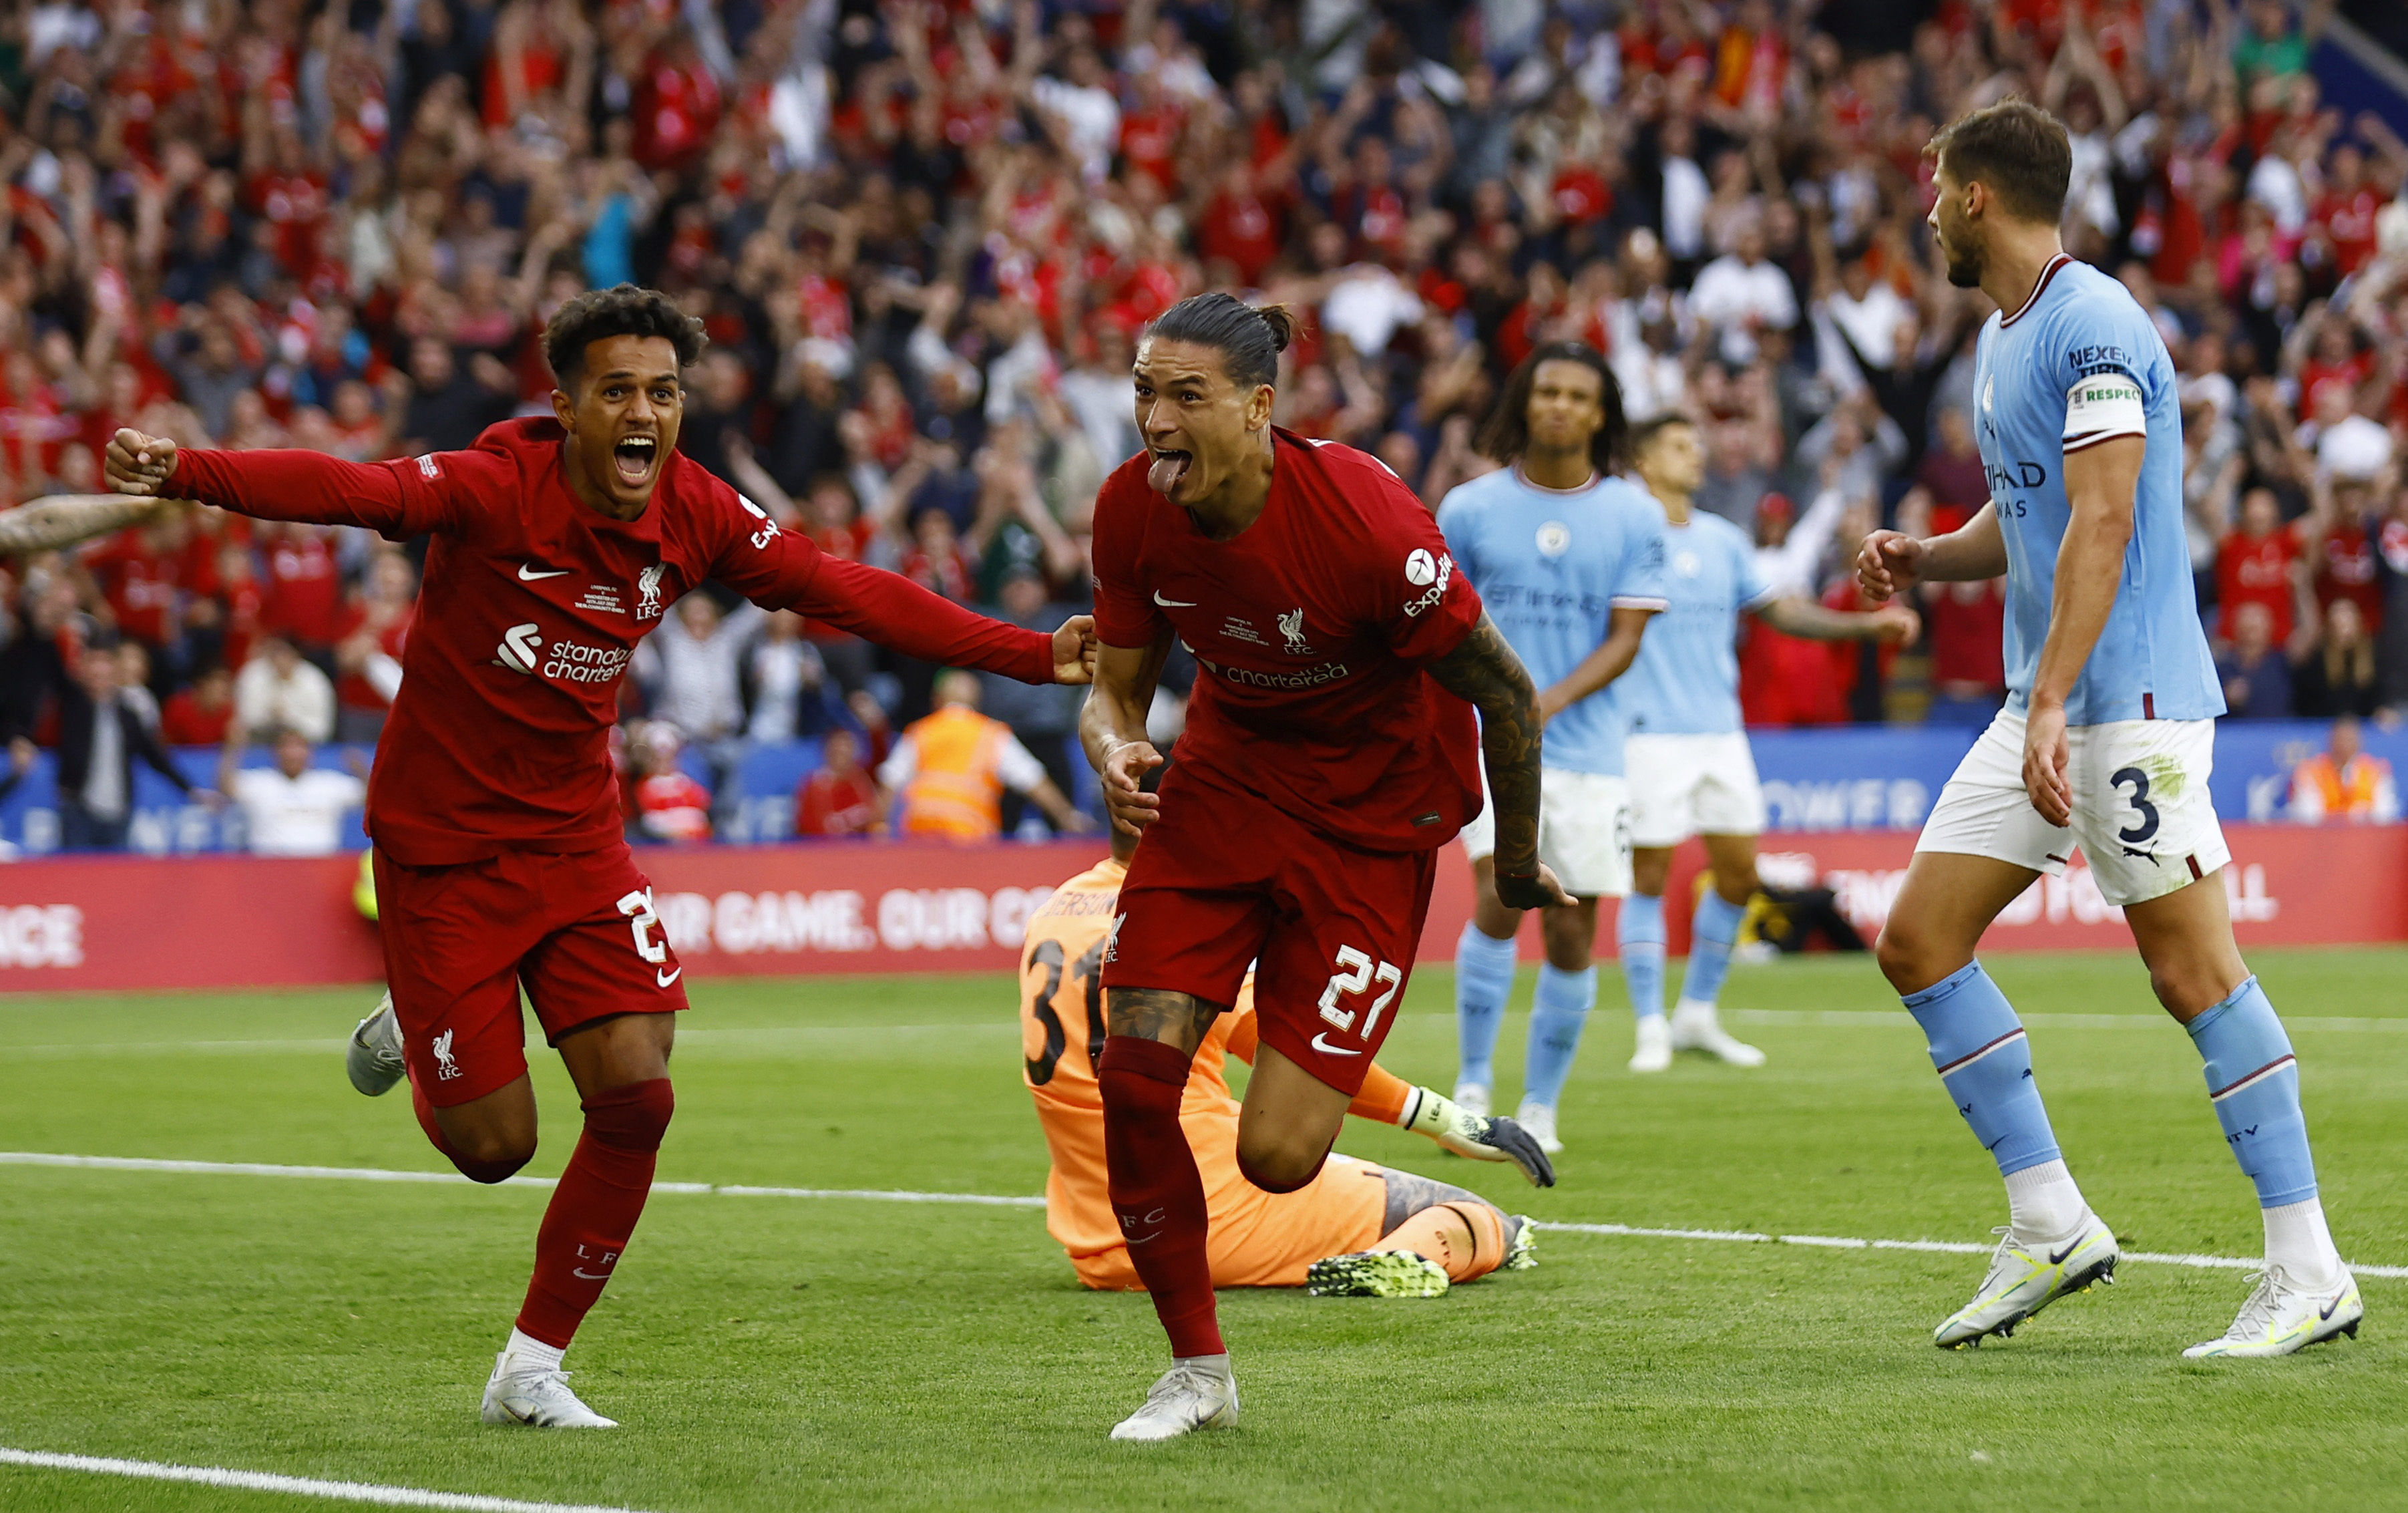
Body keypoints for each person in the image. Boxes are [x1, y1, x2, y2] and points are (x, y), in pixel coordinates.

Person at [105, 283, 1098, 1429]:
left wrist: (1031, 655)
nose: (645, 413)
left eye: (664, 392)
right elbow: (350, 489)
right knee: (494, 1146)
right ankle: (419, 1029)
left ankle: (530, 1369)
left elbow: (840, 590)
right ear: (568, 406)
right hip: (444, 849)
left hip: (576, 839)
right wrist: (188, 470)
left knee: (638, 1093)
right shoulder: (490, 489)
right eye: (618, 391)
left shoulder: (697, 510)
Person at [1856, 102, 2359, 1359]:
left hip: (2119, 708)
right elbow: (2027, 519)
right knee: (1917, 941)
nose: (1924, 210)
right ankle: (2050, 1221)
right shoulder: (2001, 335)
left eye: (1934, 188)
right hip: (2052, 700)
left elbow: (2104, 521)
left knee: (2192, 973)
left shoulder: (2093, 323)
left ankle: (2309, 1270)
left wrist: (2058, 698)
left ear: (1978, 195)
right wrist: (1929, 558)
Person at [1080, 293, 1571, 1441]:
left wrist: (1514, 859)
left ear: (1259, 408)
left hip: (1373, 819)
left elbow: (1505, 693)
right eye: (1145, 392)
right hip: (1225, 792)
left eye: (1184, 396)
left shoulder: (1364, 521)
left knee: (1277, 1156)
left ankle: (1426, 1200)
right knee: (1136, 1077)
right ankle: (1196, 1371)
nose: (1155, 419)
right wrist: (1115, 752)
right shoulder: (1129, 511)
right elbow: (1112, 685)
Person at [1020, 832, 1551, 1298]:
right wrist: (1451, 1121)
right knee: (1484, 1220)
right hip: (1211, 1216)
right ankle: (1384, 1262)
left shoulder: (1055, 910)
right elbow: (1300, 1054)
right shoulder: (1182, 915)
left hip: (1101, 1239)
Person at [1616, 413, 1919, 1071]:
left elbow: (1779, 610)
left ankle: (1696, 1014)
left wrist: (1864, 630)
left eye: (1695, 444)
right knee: (1647, 878)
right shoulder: (1619, 539)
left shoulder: (1723, 541)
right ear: (1642, 461)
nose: (1694, 454)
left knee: (1740, 873)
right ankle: (1648, 1026)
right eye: (1678, 445)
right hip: (1648, 736)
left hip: (1721, 733)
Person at [1432, 342, 1665, 1153]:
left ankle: (1540, 1107)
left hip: (1591, 754)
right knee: (1498, 902)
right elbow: (1442, 625)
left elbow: (1627, 638)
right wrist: (1503, 709)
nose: (1561, 406)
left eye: (1578, 396)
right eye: (1547, 392)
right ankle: (1469, 1083)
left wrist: (1541, 702)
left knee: (1570, 931)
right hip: (1489, 747)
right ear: (1524, 405)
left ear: (1602, 416)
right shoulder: (1467, 508)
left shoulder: (1635, 514)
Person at [879, 670, 1092, 840]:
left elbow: (890, 782)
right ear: (978, 700)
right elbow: (1033, 780)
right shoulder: (991, 734)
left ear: (937, 699)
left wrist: (880, 826)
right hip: (972, 840)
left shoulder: (920, 732)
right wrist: (1067, 816)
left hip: (921, 838)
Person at [55, 639, 210, 849]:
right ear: (82, 668)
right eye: (93, 663)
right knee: (75, 877)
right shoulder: (72, 706)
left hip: (119, 811)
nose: (99, 670)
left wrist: (190, 789)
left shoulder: (127, 714)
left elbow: (155, 756)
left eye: (105, 663)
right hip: (78, 810)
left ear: (115, 669)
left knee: (116, 879)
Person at [222, 727, 368, 857]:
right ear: (275, 753)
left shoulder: (329, 784)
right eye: (286, 747)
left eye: (299, 747)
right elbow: (227, 787)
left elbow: (368, 798)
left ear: (310, 753)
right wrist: (233, 749)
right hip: (269, 868)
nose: (293, 754)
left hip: (320, 867)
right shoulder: (260, 782)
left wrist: (361, 770)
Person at [2288, 715, 2399, 824]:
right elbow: (2306, 816)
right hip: (2323, 836)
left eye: (2349, 740)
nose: (2344, 745)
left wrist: (2359, 814)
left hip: (2365, 836)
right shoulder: (2310, 772)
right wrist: (2343, 817)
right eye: (2340, 739)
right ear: (2330, 741)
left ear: (2359, 742)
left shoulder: (2376, 771)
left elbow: (2386, 814)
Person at [794, 726, 883, 837]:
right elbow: (810, 830)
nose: (842, 755)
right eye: (837, 751)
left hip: (865, 848)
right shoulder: (814, 787)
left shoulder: (863, 777)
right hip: (830, 850)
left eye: (847, 749)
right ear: (827, 752)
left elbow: (881, 747)